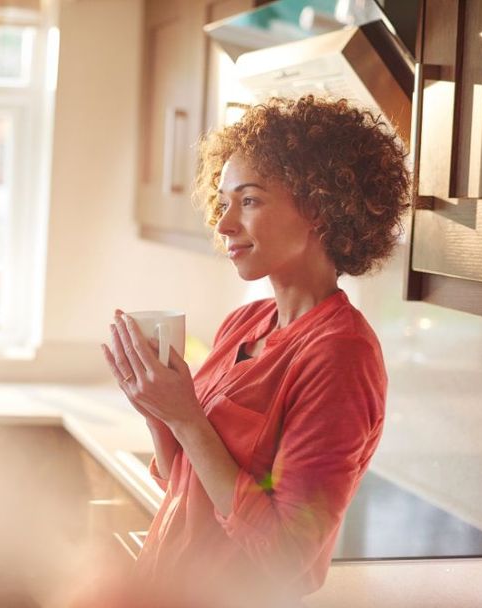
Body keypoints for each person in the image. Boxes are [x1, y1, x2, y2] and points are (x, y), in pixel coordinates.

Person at [101, 96, 410, 607]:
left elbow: (289, 559)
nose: (223, 225)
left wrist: (186, 418)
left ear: (319, 207)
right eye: (224, 202)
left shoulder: (340, 356)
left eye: (249, 201)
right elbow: (185, 480)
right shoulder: (246, 322)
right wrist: (157, 407)